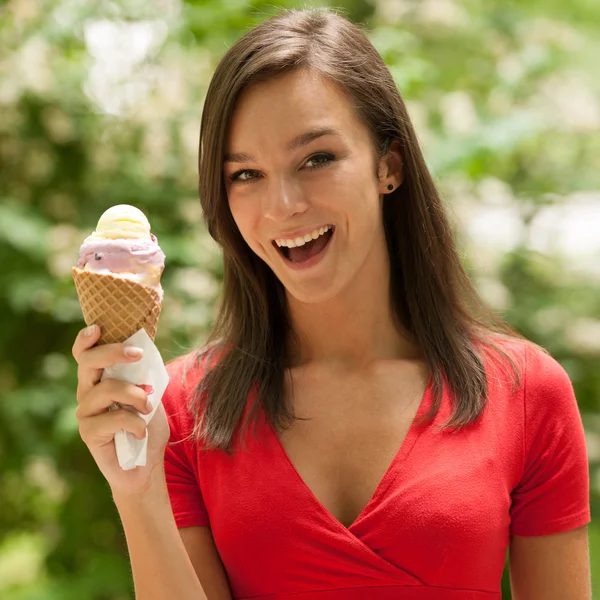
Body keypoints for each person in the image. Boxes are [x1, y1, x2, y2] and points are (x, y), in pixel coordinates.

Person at [71, 8, 591, 600]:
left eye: (316, 159)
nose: (283, 205)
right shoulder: (178, 411)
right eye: (245, 175)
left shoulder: (528, 393)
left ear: (387, 166)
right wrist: (135, 493)